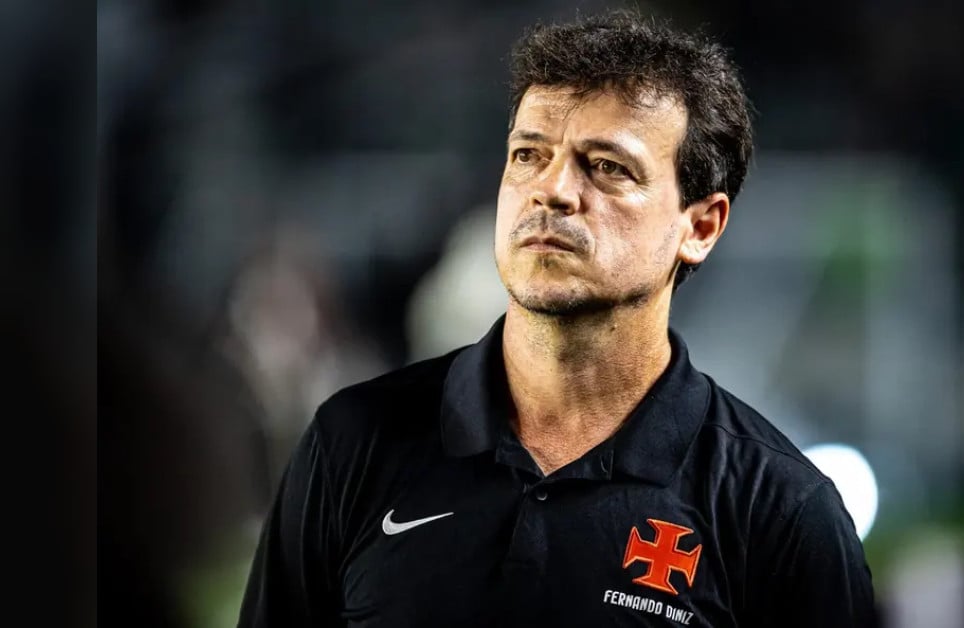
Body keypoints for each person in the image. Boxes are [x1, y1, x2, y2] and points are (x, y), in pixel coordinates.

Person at [238, 10, 876, 627]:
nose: (553, 191)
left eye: (607, 167)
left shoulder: (780, 511)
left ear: (700, 226)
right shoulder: (352, 443)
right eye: (528, 155)